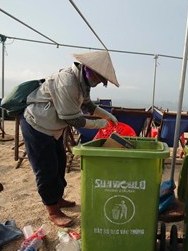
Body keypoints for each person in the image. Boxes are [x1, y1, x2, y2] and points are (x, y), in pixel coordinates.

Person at [20, 50, 120, 227]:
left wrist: (107, 115)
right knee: (46, 168)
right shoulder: (67, 82)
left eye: (101, 81)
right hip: (37, 126)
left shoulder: (82, 82)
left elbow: (87, 105)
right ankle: (52, 210)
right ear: (87, 69)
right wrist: (100, 125)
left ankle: (57, 198)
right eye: (97, 78)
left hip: (54, 129)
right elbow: (72, 119)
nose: (97, 83)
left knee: (59, 163)